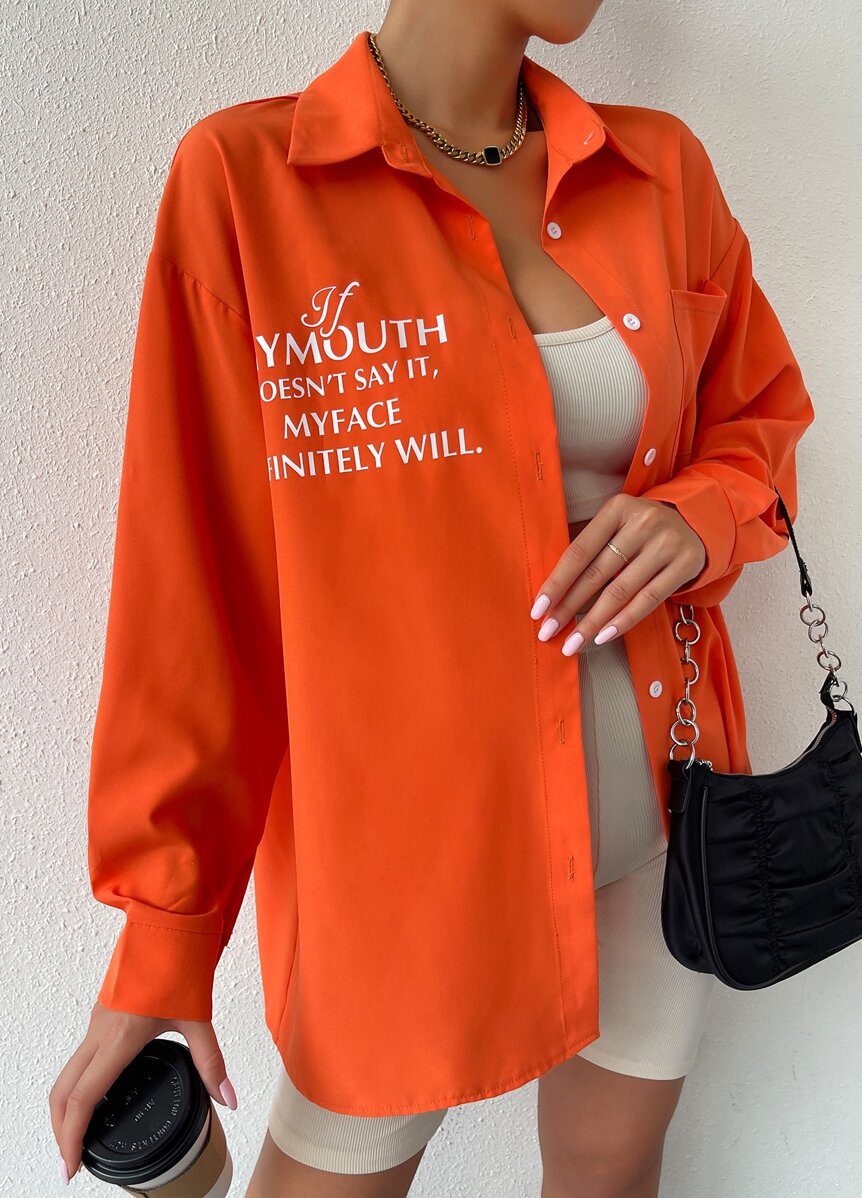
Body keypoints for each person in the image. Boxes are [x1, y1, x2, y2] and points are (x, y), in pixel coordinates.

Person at [49, 1, 816, 1194]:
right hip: (406, 862)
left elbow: (758, 420)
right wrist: (166, 938)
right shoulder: (249, 182)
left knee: (613, 1166)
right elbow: (198, 591)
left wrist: (699, 512)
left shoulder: (660, 172)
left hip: (666, 816)